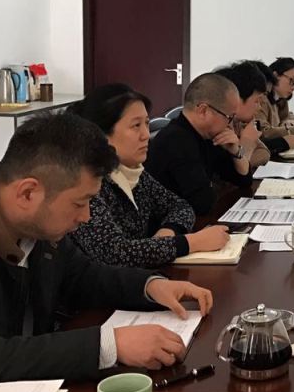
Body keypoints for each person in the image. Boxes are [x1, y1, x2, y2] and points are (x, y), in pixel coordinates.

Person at [0, 113, 214, 392]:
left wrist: (150, 287)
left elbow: (81, 275)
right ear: (28, 193)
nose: (86, 217)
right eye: (79, 203)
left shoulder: (35, 221)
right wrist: (108, 345)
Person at [69, 85, 230, 268]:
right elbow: (114, 253)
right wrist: (191, 243)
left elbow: (181, 207)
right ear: (102, 134)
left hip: (138, 277)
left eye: (146, 123)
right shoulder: (88, 181)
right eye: (136, 126)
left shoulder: (134, 172)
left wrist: (167, 233)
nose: (146, 135)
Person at [145, 73, 255, 216]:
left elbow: (244, 180)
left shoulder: (207, 135)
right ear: (203, 111)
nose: (230, 124)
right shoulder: (176, 140)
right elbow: (203, 203)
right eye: (229, 117)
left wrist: (236, 151)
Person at [214, 60, 273, 167]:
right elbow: (231, 173)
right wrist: (247, 144)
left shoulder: (238, 124)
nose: (259, 107)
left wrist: (242, 153)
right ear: (235, 98)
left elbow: (264, 153)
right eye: (257, 101)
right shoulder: (217, 129)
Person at [257, 57, 294, 148]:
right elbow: (264, 132)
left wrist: (289, 122)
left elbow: (289, 115)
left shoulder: (280, 99)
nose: (293, 87)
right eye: (292, 81)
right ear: (275, 76)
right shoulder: (261, 99)